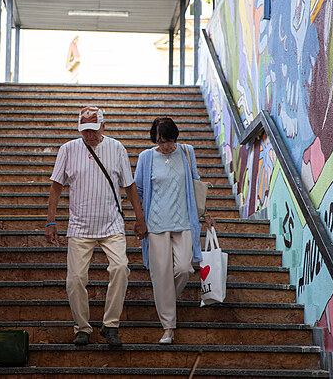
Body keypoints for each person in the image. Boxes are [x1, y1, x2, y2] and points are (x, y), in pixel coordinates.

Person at [45, 106, 147, 348]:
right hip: (80, 227)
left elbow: (129, 185)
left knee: (121, 268)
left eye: (93, 130)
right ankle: (82, 328)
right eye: (85, 131)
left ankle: (110, 325)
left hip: (112, 225)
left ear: (103, 126)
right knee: (75, 280)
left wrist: (139, 218)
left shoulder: (117, 148)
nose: (89, 135)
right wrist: (51, 220)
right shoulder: (68, 149)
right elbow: (56, 186)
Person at [134, 117, 216, 344]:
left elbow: (196, 186)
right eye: (160, 141)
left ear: (175, 137)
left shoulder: (187, 152)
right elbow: (138, 190)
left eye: (168, 141)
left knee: (183, 268)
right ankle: (168, 328)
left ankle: (165, 299)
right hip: (156, 225)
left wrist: (205, 214)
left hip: (184, 222)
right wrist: (139, 220)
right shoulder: (146, 158)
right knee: (161, 274)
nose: (164, 146)